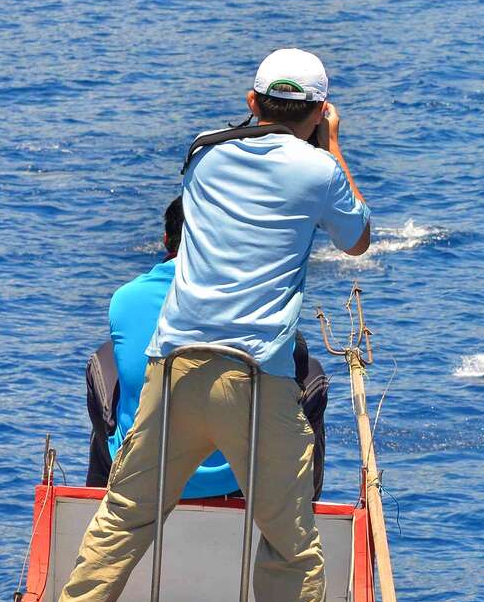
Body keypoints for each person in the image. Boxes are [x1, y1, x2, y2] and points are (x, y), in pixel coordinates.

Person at [51, 49, 373, 602]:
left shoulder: (203, 153)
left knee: (122, 519)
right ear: (318, 111)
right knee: (290, 541)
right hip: (254, 376)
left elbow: (241, 143)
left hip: (177, 365)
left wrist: (278, 121)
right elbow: (358, 240)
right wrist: (333, 143)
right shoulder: (317, 168)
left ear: (252, 103)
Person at [83, 197, 330, 500]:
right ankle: (305, 499)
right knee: (310, 372)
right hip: (239, 475)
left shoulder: (126, 298)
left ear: (165, 240)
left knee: (106, 359)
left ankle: (98, 494)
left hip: (146, 470)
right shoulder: (257, 296)